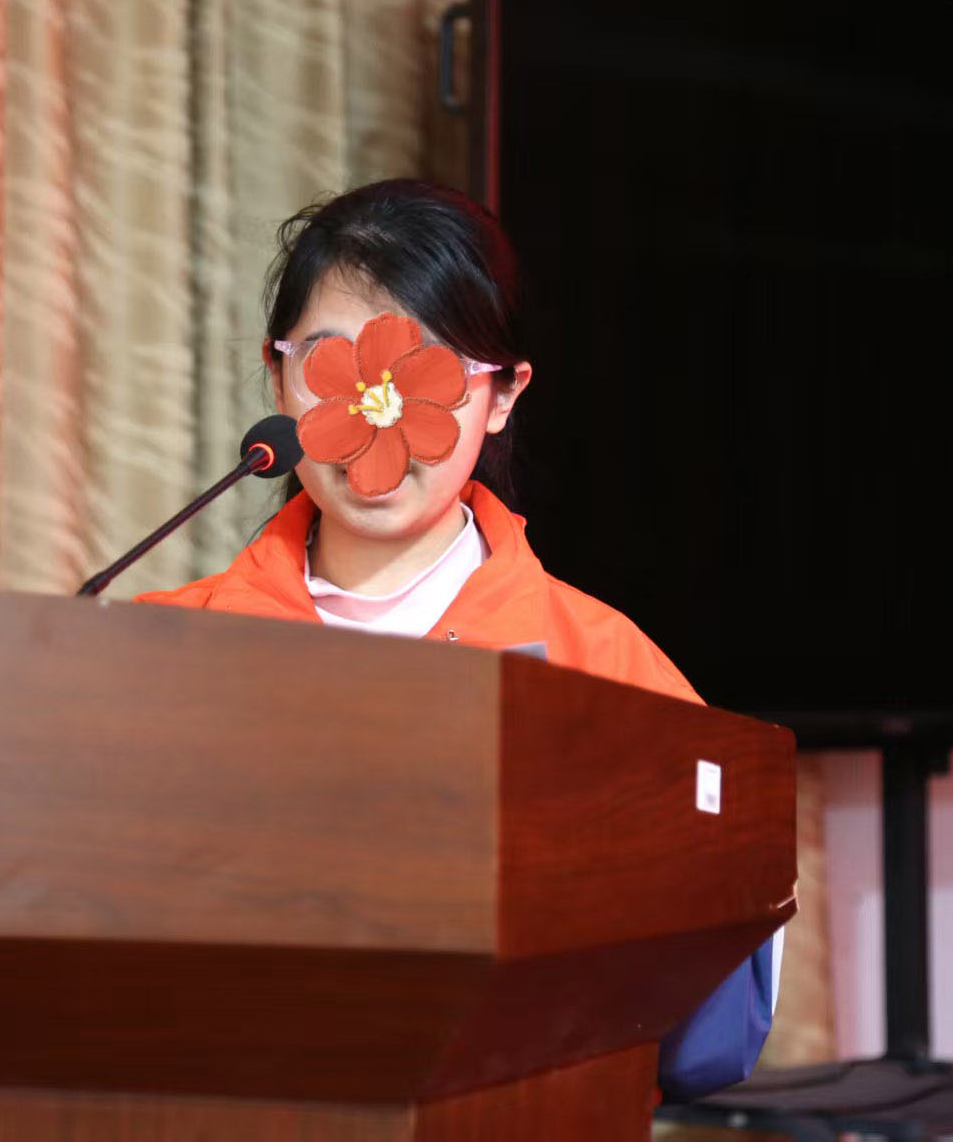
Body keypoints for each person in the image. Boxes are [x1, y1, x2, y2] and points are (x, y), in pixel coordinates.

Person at [136, 178, 777, 1099]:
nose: (376, 409)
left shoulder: (606, 663)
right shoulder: (154, 653)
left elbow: (711, 1023)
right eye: (329, 360)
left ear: (503, 395)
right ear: (278, 380)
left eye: (425, 369)